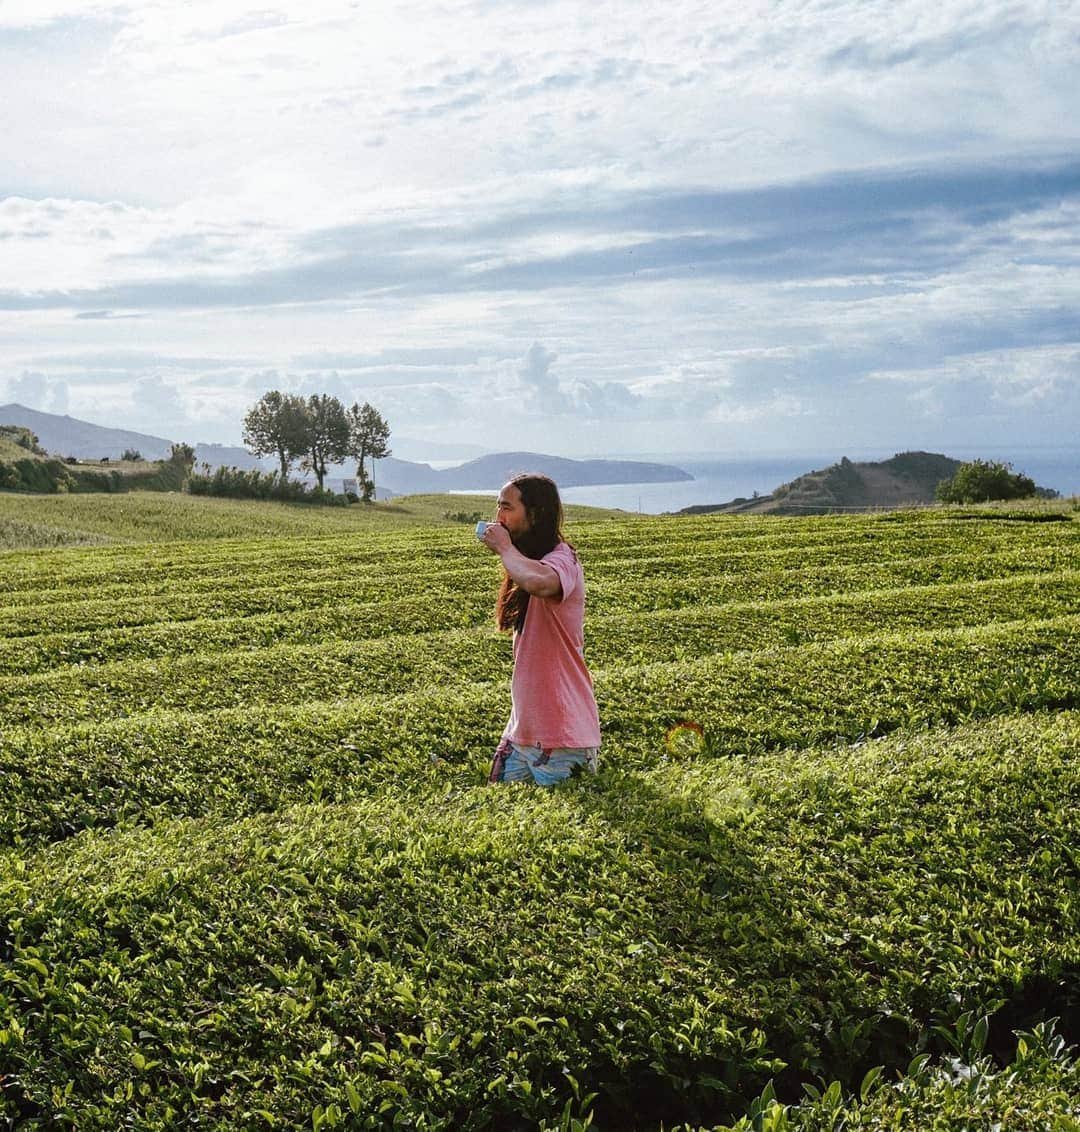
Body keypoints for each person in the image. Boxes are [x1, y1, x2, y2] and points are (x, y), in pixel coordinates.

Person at [478, 473, 601, 785]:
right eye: (498, 507)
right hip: (522, 733)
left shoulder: (563, 559)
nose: (499, 517)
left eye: (507, 508)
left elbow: (540, 584)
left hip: (562, 739)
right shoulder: (529, 560)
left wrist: (505, 549)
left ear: (535, 514)